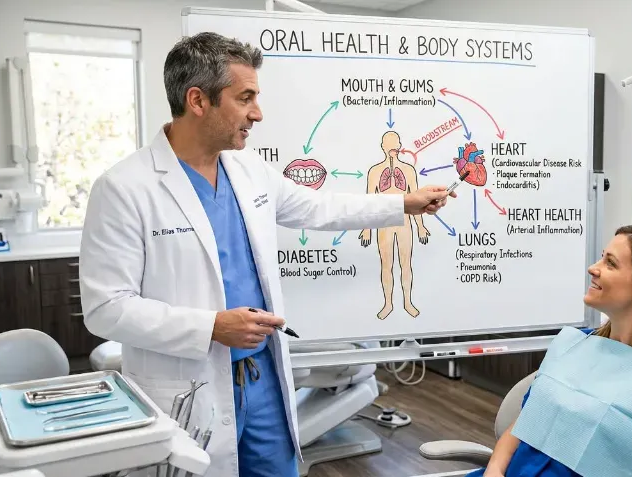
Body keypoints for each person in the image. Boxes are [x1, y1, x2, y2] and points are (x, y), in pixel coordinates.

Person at [78, 32, 456, 477]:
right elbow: (106, 309)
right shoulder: (124, 188)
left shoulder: (248, 170)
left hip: (263, 381)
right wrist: (212, 328)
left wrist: (403, 204)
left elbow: (319, 208)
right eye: (245, 98)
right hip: (190, 388)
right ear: (198, 100)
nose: (257, 113)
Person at [470, 225, 632, 477]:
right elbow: (523, 424)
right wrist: (494, 470)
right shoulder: (576, 346)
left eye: (610, 263)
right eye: (601, 257)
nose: (593, 268)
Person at [359, 130, 429, 319]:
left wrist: (420, 226)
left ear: (399, 145)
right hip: (383, 221)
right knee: (386, 264)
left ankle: (407, 301)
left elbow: (417, 199)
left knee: (406, 264)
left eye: (396, 142)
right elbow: (369, 201)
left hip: (405, 220)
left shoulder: (408, 170)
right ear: (383, 146)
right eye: (389, 142)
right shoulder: (374, 171)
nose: (393, 146)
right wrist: (367, 229)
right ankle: (388, 303)